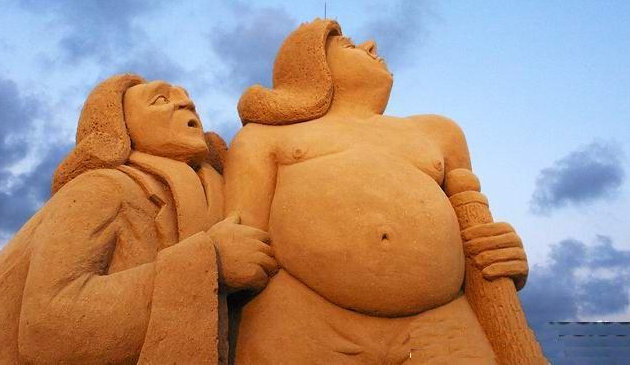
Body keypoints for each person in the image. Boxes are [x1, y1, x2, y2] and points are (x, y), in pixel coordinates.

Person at [226, 19, 530, 364]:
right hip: (304, 316)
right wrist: (225, 258)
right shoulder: (265, 136)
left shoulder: (438, 133)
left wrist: (501, 253)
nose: (371, 45)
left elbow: (474, 225)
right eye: (350, 45)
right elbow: (243, 237)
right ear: (311, 67)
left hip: (439, 325)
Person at [0, 74, 276, 364]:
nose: (187, 103)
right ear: (122, 127)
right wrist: (211, 263)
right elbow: (46, 328)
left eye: (185, 96)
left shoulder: (211, 195)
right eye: (160, 99)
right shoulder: (100, 188)